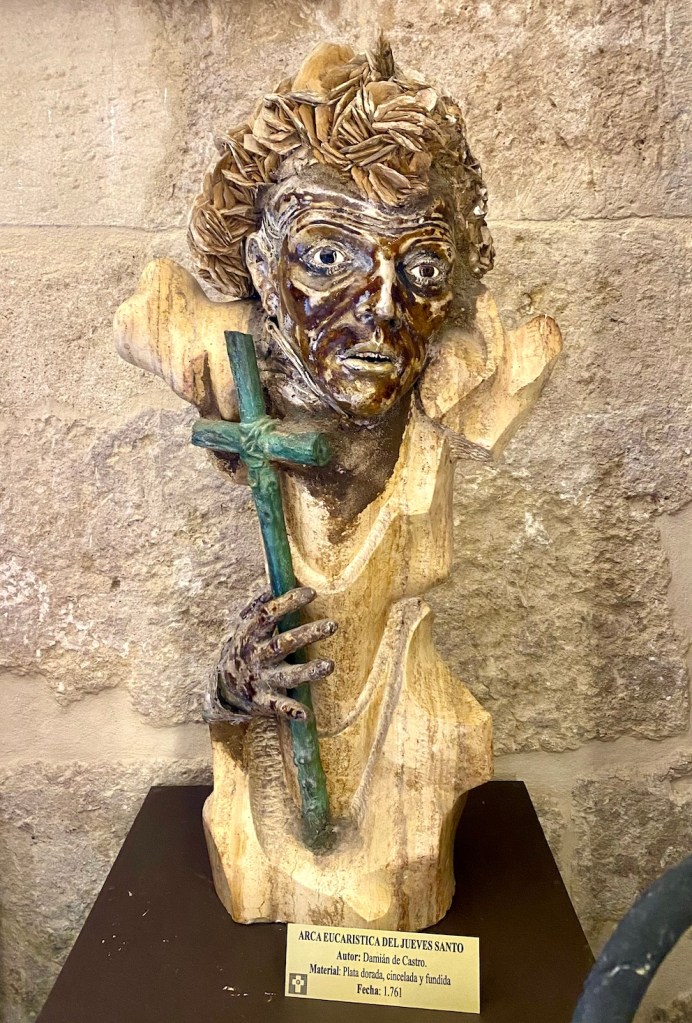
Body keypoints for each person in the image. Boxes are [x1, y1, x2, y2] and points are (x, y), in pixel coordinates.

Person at [115, 36, 561, 928]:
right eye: (328, 258)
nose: (383, 306)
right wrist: (232, 694)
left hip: (413, 744)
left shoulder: (469, 392)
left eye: (421, 268)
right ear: (260, 266)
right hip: (282, 764)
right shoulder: (221, 377)